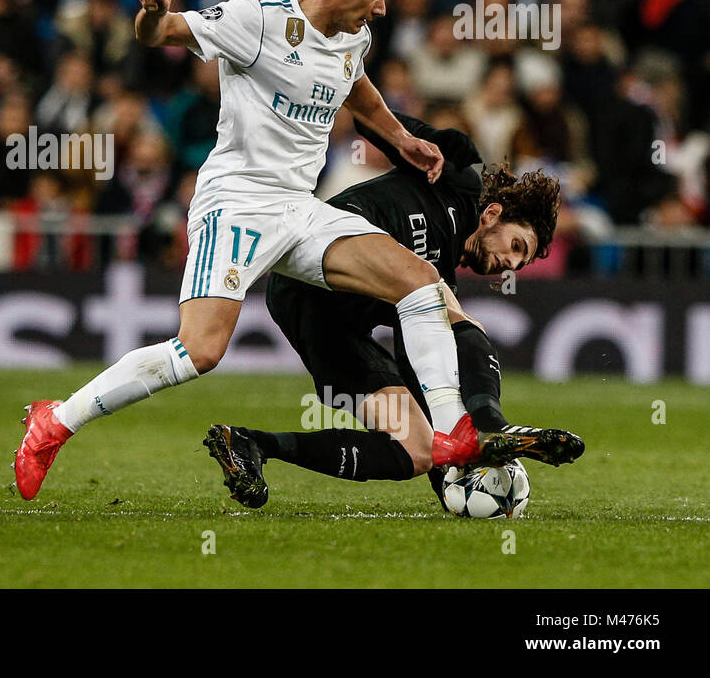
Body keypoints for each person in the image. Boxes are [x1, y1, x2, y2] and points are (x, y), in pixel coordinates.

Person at [14, 0, 549, 500]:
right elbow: (159, 34)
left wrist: (401, 136)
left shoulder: (353, 38)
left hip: (300, 208)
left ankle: (452, 432)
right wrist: (149, 12)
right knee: (200, 351)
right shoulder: (258, 20)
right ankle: (57, 420)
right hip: (237, 202)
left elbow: (355, 85)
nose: (383, 6)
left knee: (419, 283)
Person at [202, 112, 584, 508]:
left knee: (418, 447)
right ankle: (491, 426)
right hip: (317, 259)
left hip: (328, 325)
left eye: (520, 264)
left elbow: (420, 364)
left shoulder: (439, 278)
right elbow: (371, 120)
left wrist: (452, 470)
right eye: (517, 247)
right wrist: (410, 139)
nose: (511, 264)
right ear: (493, 215)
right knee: (448, 309)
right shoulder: (459, 174)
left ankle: (249, 444)